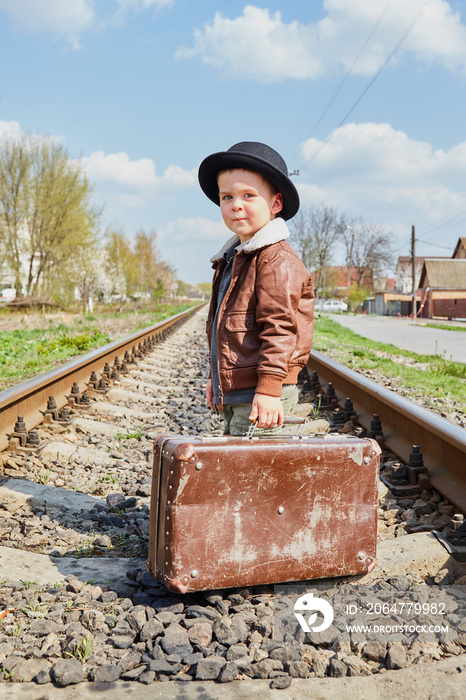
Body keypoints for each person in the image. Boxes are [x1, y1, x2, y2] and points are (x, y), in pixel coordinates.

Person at [198, 141, 314, 435]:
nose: (236, 204)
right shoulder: (233, 257)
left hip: (261, 394)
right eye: (227, 196)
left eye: (248, 195)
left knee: (252, 474)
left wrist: (270, 389)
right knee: (241, 469)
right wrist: (216, 378)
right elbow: (221, 330)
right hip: (239, 392)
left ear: (275, 204)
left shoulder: (275, 259)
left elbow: (279, 329)